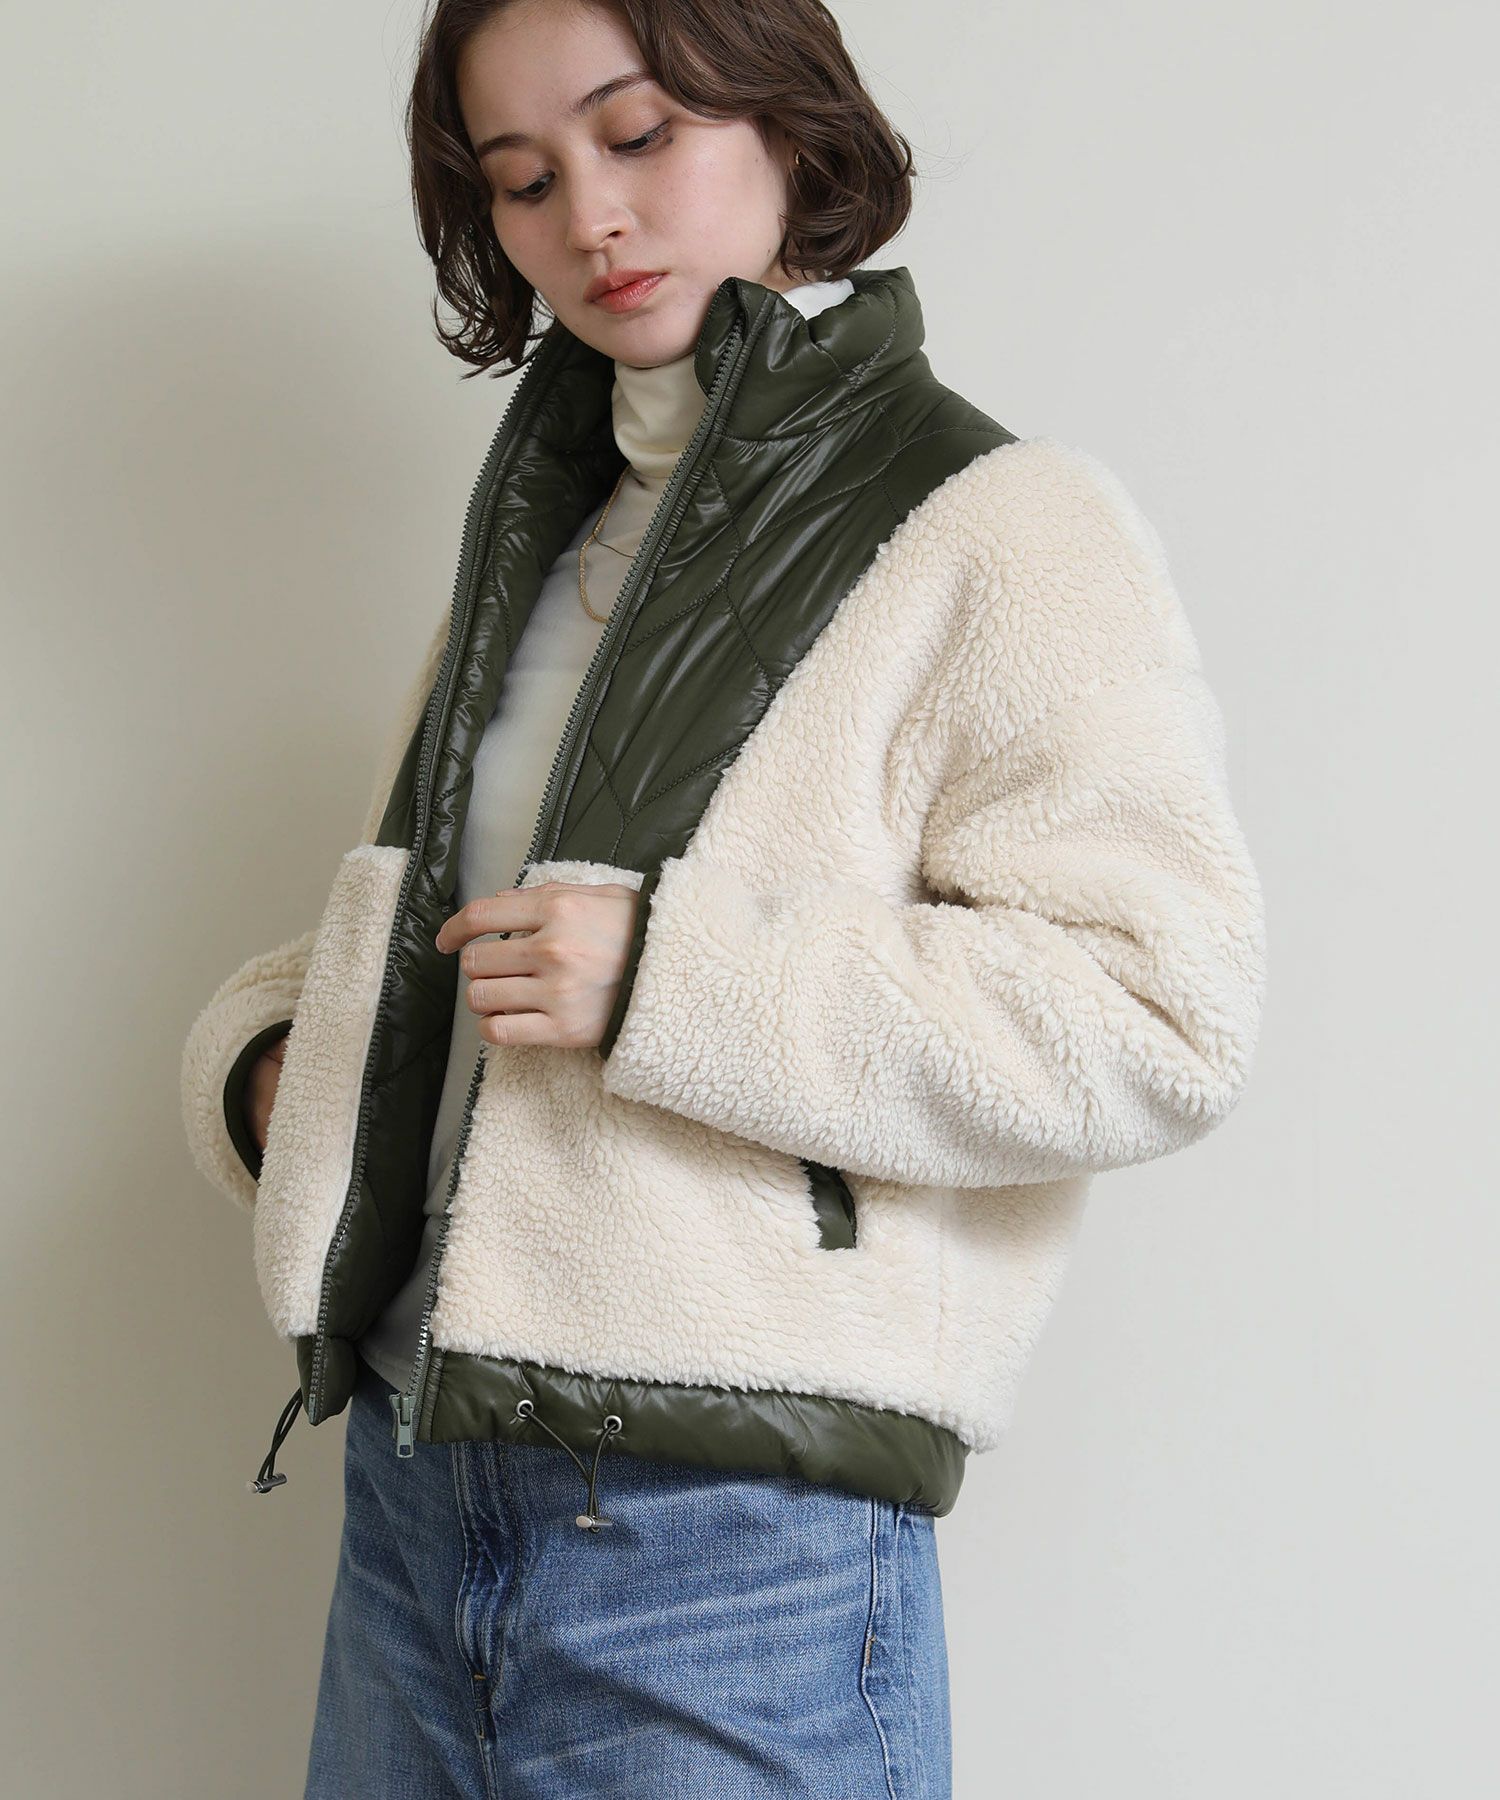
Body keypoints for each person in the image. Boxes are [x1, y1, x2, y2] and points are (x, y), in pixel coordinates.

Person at [178, 1, 1267, 1794]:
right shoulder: (547, 535)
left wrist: (672, 979)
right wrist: (270, 1075)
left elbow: (1159, 1015)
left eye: (638, 136)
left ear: (782, 117)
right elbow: (444, 942)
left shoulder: (998, 524)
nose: (588, 218)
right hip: (412, 1493)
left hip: (733, 1544)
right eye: (522, 179)